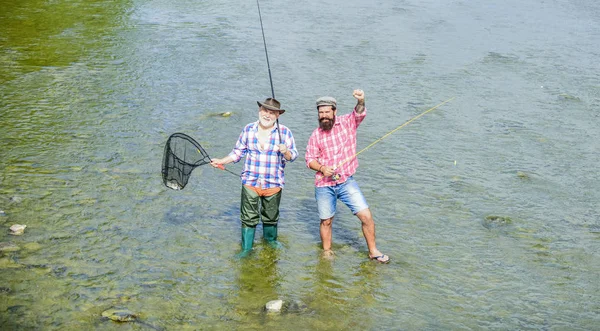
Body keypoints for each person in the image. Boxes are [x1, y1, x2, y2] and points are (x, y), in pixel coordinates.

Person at [305, 89, 390, 263]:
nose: (324, 116)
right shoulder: (316, 134)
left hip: (346, 182)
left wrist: (361, 100)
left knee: (366, 216)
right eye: (321, 113)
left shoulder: (347, 123)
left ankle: (373, 251)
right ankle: (327, 251)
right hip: (324, 184)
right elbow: (309, 159)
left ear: (334, 111)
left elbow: (359, 113)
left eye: (327, 112)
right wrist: (322, 168)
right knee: (326, 221)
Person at [211, 98, 298, 257]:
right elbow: (237, 152)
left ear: (277, 115)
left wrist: (286, 151)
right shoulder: (248, 129)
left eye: (272, 112)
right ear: (260, 111)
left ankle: (270, 241)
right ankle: (246, 249)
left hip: (273, 183)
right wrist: (221, 161)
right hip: (250, 182)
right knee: (248, 218)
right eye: (265, 111)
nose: (267, 115)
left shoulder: (284, 132)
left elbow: (293, 156)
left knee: (271, 217)